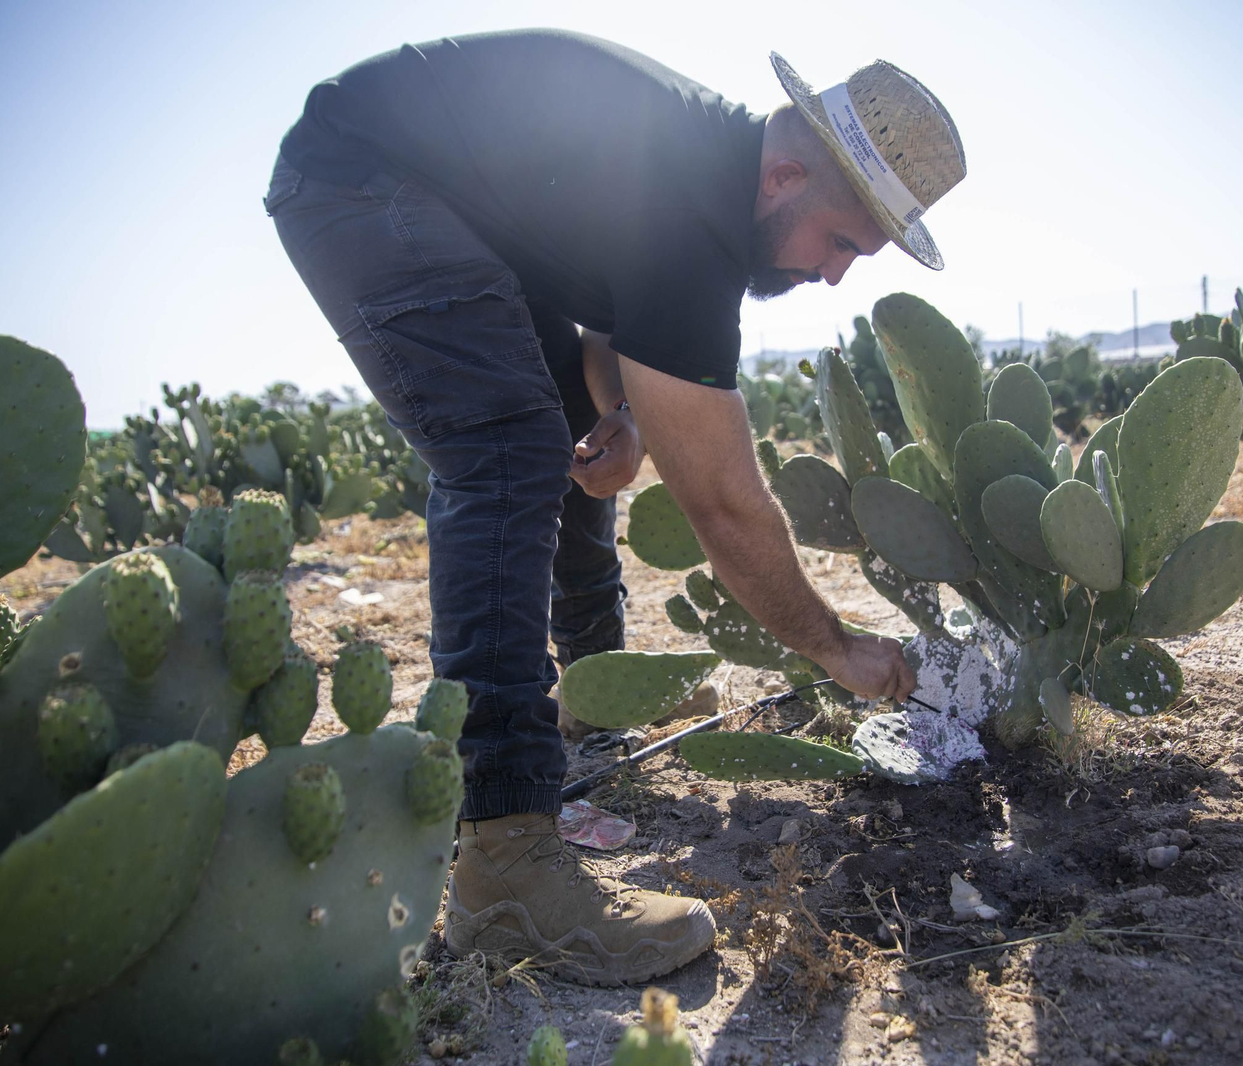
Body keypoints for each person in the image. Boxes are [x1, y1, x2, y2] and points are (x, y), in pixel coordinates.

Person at [267, 28, 963, 986]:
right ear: (785, 174)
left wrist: (622, 411)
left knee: (559, 418)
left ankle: (593, 696)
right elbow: (724, 506)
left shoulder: (698, 178)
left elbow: (606, 325)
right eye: (841, 241)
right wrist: (835, 647)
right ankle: (504, 861)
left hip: (449, 199)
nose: (836, 273)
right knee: (506, 446)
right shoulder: (693, 222)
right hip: (361, 177)